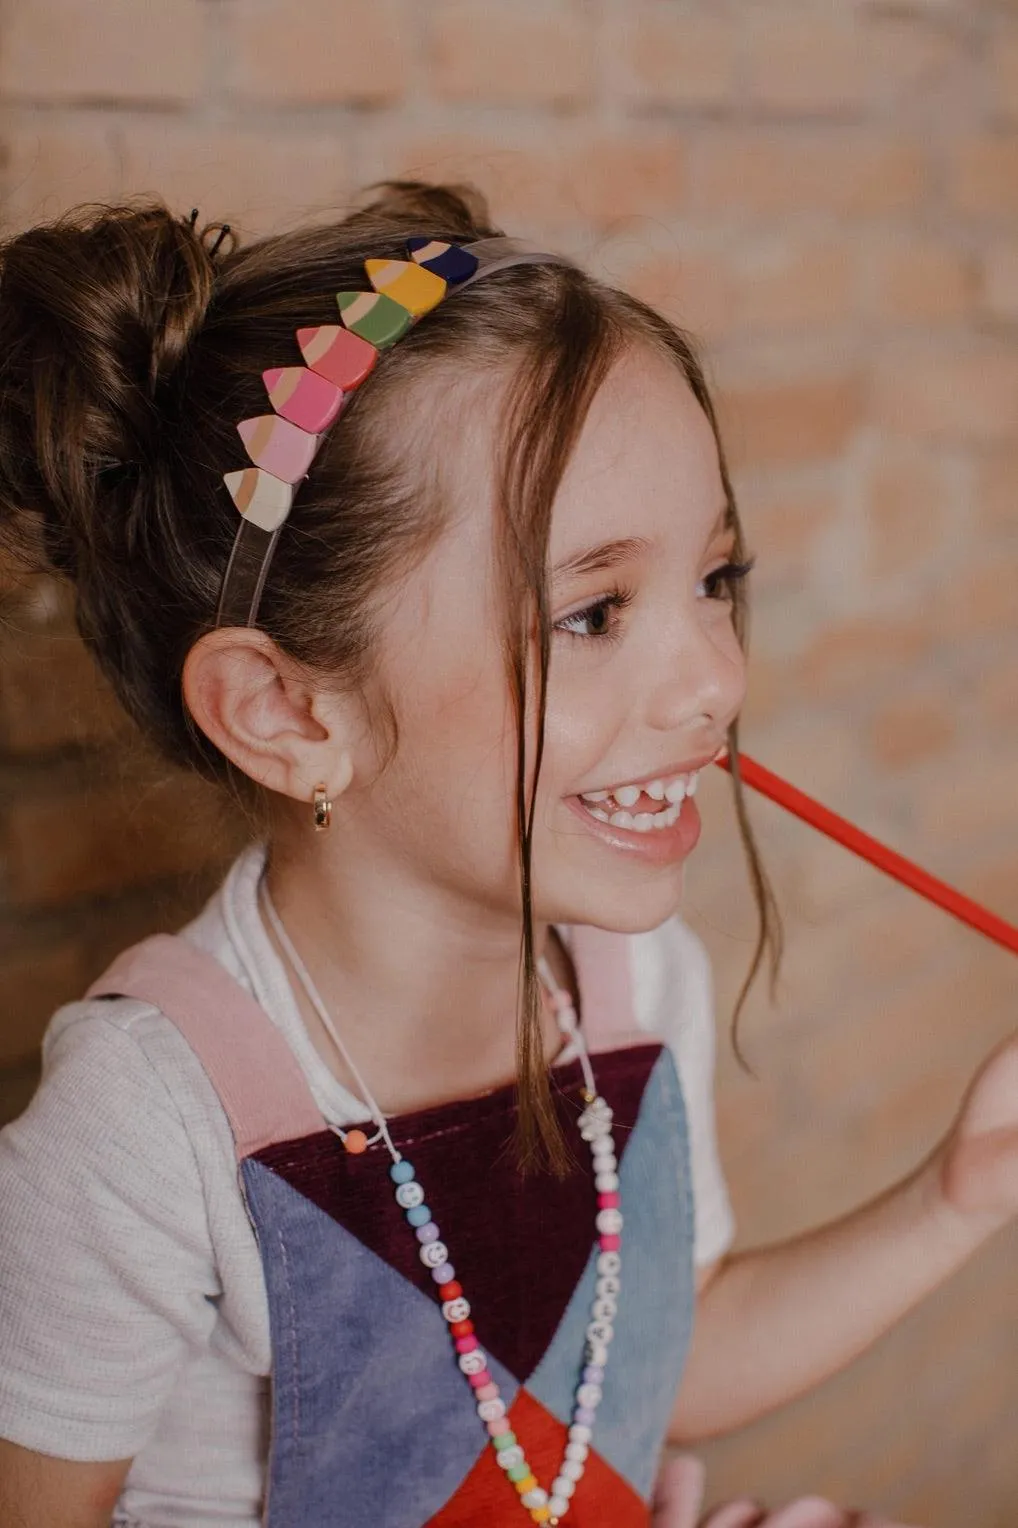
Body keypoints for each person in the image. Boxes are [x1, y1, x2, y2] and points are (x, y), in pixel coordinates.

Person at [0, 181, 1013, 1528]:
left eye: (714, 581)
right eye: (594, 612)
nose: (712, 678)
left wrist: (958, 1194)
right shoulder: (143, 1131)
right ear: (289, 712)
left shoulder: (641, 985)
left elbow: (649, 1361)